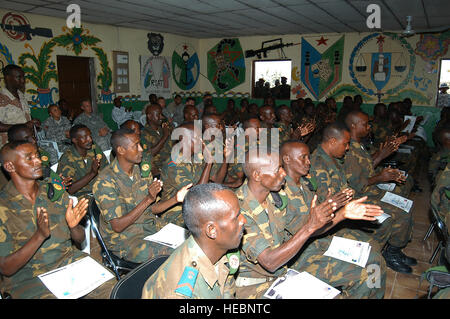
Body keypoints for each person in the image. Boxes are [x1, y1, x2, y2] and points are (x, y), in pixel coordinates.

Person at [235, 147, 386, 299]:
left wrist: (342, 214)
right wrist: (310, 226)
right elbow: (270, 262)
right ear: (257, 175)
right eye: (277, 170)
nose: (284, 173)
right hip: (256, 285)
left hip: (286, 265)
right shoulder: (238, 210)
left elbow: (305, 229)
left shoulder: (276, 197)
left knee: (369, 272)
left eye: (282, 167)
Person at [0, 141, 115, 299]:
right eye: (29, 158)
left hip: (66, 263)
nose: (38, 161)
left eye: (37, 156)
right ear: (10, 167)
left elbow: (80, 239)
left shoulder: (53, 192)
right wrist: (39, 236)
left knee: (112, 288)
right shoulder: (3, 207)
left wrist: (73, 226)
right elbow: (6, 268)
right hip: (29, 279)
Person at [281, 141, 386, 298]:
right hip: (300, 256)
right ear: (287, 159)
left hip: (318, 241)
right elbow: (308, 229)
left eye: (308, 157)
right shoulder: (282, 192)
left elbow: (316, 222)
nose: (308, 162)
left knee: (374, 258)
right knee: (367, 272)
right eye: (303, 158)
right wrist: (340, 213)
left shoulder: (304, 183)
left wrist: (331, 206)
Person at [93, 128, 192, 264]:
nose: (141, 149)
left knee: (192, 240)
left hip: (150, 227)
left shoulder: (141, 171)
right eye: (135, 146)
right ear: (121, 150)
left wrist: (176, 199)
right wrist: (148, 199)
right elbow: (117, 226)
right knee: (175, 254)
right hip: (126, 240)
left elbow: (152, 209)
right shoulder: (106, 181)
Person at [141, 183, 246, 299]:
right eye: (236, 217)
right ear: (211, 231)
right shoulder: (180, 294)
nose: (243, 220)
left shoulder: (220, 251)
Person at [343, 111, 416, 273]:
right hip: (362, 195)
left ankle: (395, 249)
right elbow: (358, 185)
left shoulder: (358, 144)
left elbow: (367, 167)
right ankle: (391, 254)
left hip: (372, 190)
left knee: (407, 206)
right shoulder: (348, 150)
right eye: (366, 124)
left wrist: (383, 157)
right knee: (401, 215)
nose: (369, 127)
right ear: (354, 126)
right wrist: (381, 176)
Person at [57, 124, 108, 197]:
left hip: (101, 189)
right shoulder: (67, 159)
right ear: (75, 140)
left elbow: (107, 169)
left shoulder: (94, 149)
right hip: (83, 196)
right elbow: (69, 190)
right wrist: (92, 173)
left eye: (90, 136)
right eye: (85, 137)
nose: (90, 139)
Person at [141, 103, 172, 177]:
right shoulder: (144, 134)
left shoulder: (164, 129)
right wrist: (165, 136)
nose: (161, 117)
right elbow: (149, 154)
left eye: (161, 114)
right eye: (158, 115)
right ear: (149, 116)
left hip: (171, 165)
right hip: (158, 169)